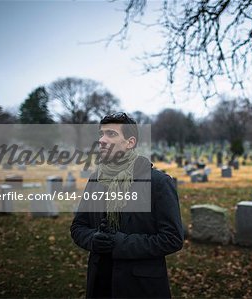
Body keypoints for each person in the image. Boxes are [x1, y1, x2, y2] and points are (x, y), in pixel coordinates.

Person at [70, 112, 184, 298]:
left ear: (130, 142)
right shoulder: (96, 180)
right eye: (101, 134)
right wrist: (93, 239)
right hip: (100, 283)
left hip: (141, 287)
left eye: (111, 134)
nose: (102, 140)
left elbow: (172, 238)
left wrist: (120, 243)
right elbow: (78, 227)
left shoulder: (158, 183)